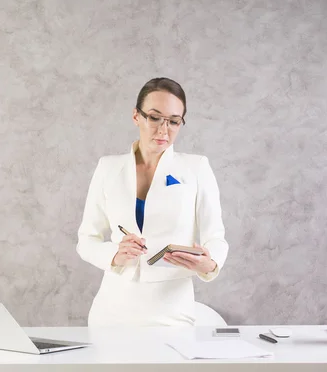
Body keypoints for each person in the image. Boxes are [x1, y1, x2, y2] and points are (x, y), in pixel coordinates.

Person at [76, 77, 229, 327]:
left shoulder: (196, 168)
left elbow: (216, 237)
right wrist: (115, 255)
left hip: (172, 313)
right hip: (110, 311)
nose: (163, 129)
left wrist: (209, 264)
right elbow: (86, 240)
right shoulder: (108, 167)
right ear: (137, 116)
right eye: (155, 117)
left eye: (174, 121)